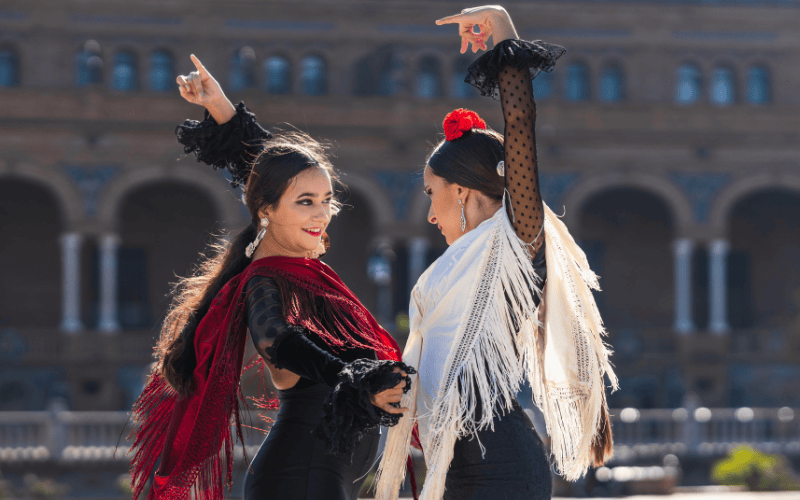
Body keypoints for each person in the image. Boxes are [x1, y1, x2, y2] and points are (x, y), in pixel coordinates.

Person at [128, 55, 415, 500]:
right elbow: (278, 340)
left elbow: (268, 169)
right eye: (305, 202)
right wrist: (356, 377)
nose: (321, 213)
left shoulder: (304, 272)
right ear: (266, 210)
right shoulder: (267, 279)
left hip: (322, 477)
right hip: (299, 479)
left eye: (326, 199)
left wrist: (222, 109)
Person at [375, 6, 618, 500]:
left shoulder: (517, 240)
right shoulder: (463, 261)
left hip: (500, 464)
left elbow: (520, 125)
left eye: (430, 193)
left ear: (461, 191)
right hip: (461, 460)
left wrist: (502, 32)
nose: (428, 214)